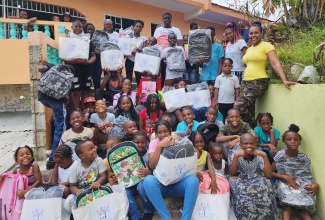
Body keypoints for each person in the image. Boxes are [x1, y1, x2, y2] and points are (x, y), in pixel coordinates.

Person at [234, 21, 296, 128]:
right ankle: (253, 136)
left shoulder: (266, 46)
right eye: (251, 33)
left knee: (238, 107)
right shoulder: (249, 49)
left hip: (258, 81)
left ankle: (257, 127)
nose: (253, 35)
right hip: (245, 82)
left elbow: (275, 63)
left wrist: (284, 79)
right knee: (249, 109)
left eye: (256, 33)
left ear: (261, 33)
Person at [143, 120, 199, 219]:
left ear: (171, 131)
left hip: (178, 185)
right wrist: (160, 146)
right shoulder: (154, 143)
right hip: (163, 185)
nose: (163, 135)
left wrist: (180, 142)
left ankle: (186, 218)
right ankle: (167, 218)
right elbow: (152, 165)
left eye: (166, 131)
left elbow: (196, 154)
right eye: (159, 132)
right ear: (156, 134)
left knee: (193, 180)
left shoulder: (179, 139)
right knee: (148, 181)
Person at [272, 124, 319, 219]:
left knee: (303, 210)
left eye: (296, 139)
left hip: (301, 185)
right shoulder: (280, 155)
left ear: (300, 142)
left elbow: (307, 175)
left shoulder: (304, 158)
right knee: (287, 207)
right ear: (284, 141)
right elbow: (270, 172)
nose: (293, 142)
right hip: (284, 183)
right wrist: (285, 177)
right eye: (289, 139)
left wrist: (315, 185)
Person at [229, 133, 276, 219]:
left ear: (255, 145)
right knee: (243, 198)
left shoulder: (259, 155)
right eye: (245, 143)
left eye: (251, 143)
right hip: (242, 180)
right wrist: (236, 157)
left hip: (257, 180)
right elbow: (232, 173)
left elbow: (269, 175)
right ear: (240, 145)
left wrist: (265, 156)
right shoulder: (236, 154)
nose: (248, 146)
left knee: (265, 195)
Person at [37, 63, 73, 170]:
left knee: (59, 124)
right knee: (61, 129)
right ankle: (53, 159)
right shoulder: (70, 75)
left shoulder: (55, 66)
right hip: (56, 100)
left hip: (42, 96)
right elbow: (68, 95)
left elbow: (40, 68)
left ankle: (55, 156)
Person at [66, 140, 107, 212]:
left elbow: (104, 176)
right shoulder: (75, 167)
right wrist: (77, 191)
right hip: (82, 192)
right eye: (90, 149)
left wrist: (98, 182)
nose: (94, 149)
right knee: (68, 204)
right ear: (82, 156)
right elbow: (72, 186)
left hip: (97, 189)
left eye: (94, 147)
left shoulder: (98, 160)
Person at [64, 20, 96, 110]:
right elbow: (64, 57)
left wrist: (88, 62)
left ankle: (85, 113)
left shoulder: (87, 40)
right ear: (72, 27)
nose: (78, 28)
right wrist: (74, 61)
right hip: (74, 69)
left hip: (87, 69)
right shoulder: (68, 40)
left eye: (80, 27)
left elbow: (93, 56)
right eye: (76, 26)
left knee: (86, 91)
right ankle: (76, 112)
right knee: (76, 92)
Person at [154, 12, 183, 87]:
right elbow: (154, 43)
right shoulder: (158, 30)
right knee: (162, 77)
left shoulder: (176, 30)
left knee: (175, 79)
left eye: (169, 18)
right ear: (162, 19)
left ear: (171, 19)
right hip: (162, 58)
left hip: (174, 60)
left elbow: (180, 44)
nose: (167, 19)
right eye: (165, 18)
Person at [214, 58, 240, 123]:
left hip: (231, 102)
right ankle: (222, 131)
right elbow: (216, 89)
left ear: (232, 67)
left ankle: (230, 131)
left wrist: (236, 100)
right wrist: (216, 100)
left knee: (230, 118)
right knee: (221, 118)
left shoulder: (235, 78)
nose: (227, 67)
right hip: (221, 102)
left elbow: (237, 89)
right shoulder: (219, 78)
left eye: (229, 65)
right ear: (222, 67)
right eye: (225, 66)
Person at [125, 20, 148, 86]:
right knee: (128, 77)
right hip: (129, 60)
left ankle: (139, 94)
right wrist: (129, 52)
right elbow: (125, 48)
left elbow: (145, 51)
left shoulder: (144, 38)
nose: (138, 28)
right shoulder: (128, 37)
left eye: (140, 27)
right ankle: (128, 94)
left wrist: (138, 50)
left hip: (139, 61)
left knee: (138, 78)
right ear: (134, 27)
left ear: (141, 29)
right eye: (137, 26)